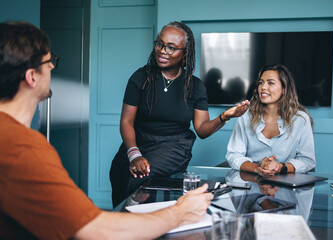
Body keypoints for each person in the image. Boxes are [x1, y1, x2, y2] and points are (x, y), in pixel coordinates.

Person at [0, 21, 214, 240]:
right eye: (49, 61)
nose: (53, 67)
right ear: (32, 76)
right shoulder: (23, 149)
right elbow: (96, 230)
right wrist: (180, 213)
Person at [110, 21, 250, 207]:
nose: (162, 51)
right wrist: (134, 153)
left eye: (171, 48)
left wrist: (225, 116)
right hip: (139, 141)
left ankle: (140, 228)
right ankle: (122, 228)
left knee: (139, 178)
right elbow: (127, 121)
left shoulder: (195, 86)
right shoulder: (141, 78)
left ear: (185, 53)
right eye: (159, 44)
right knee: (118, 172)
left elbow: (202, 129)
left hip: (173, 146)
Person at [226, 64, 315, 176]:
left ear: (284, 89)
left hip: (286, 185)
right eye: (261, 82)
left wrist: (279, 167)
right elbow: (234, 155)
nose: (263, 87)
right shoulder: (245, 116)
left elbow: (307, 160)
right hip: (251, 181)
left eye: (270, 83)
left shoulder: (300, 119)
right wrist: (258, 168)